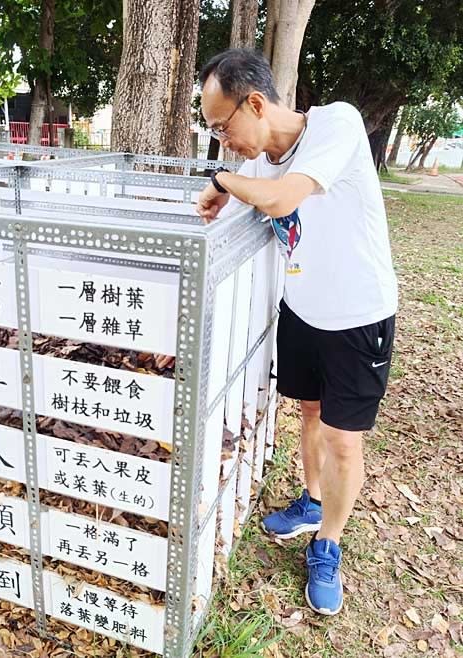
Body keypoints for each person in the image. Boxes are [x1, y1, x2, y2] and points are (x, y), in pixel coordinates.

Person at [197, 48, 398, 616]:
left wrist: (222, 178)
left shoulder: (337, 123)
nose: (223, 142)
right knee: (309, 413)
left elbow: (285, 197)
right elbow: (248, 197)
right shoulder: (257, 161)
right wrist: (222, 187)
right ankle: (312, 502)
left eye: (221, 127)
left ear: (255, 103)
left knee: (342, 438)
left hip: (359, 314)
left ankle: (327, 544)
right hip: (303, 308)